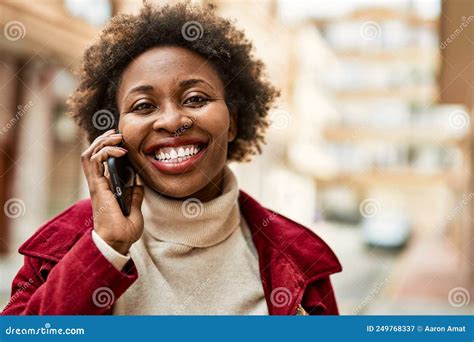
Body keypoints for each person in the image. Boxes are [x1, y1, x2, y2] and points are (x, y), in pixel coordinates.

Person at [2, 2, 341, 315]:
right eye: (144, 106)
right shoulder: (63, 243)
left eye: (195, 98)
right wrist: (105, 249)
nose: (171, 121)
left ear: (233, 121)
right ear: (114, 130)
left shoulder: (298, 257)